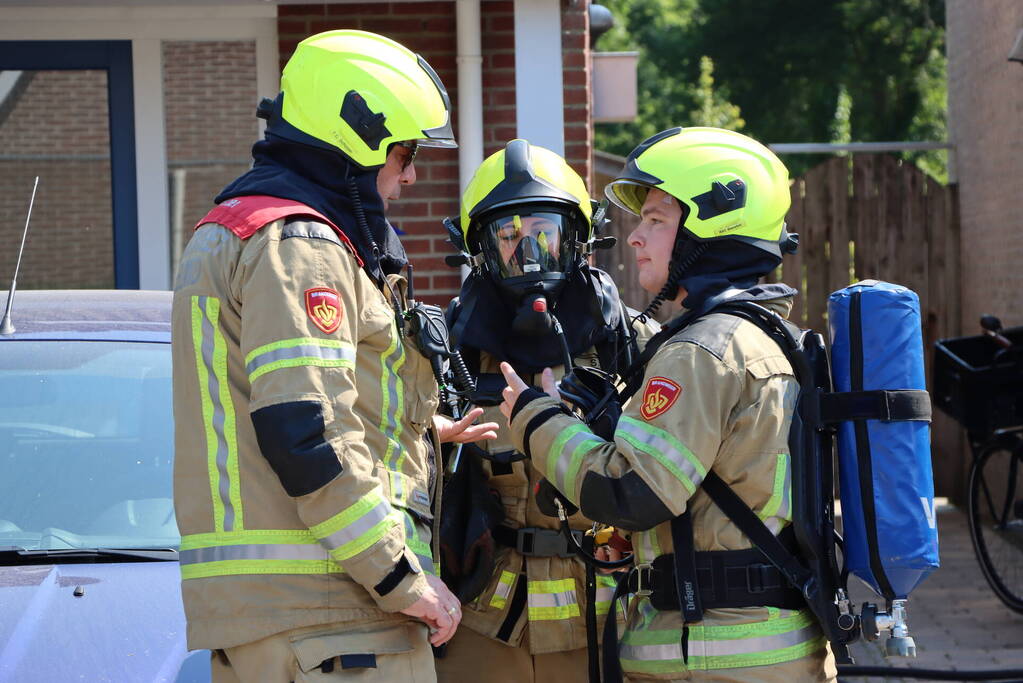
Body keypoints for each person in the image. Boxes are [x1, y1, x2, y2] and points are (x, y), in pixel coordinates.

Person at [171, 30, 496, 682]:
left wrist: (424, 429)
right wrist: (402, 578)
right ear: (357, 139)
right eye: (403, 152)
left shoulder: (239, 229)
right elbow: (306, 430)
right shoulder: (300, 243)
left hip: (279, 622)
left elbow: (280, 402)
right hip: (335, 619)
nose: (409, 174)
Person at [498, 127, 838, 682]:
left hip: (715, 659)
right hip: (767, 650)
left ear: (709, 233)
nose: (635, 238)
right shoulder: (767, 337)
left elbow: (632, 493)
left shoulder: (701, 348)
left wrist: (535, 419)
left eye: (655, 219)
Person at [435, 139, 659, 683]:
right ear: (480, 249)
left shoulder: (633, 345)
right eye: (509, 235)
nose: (528, 252)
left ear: (578, 239)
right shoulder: (445, 352)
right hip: (481, 619)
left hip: (608, 616)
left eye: (544, 233)